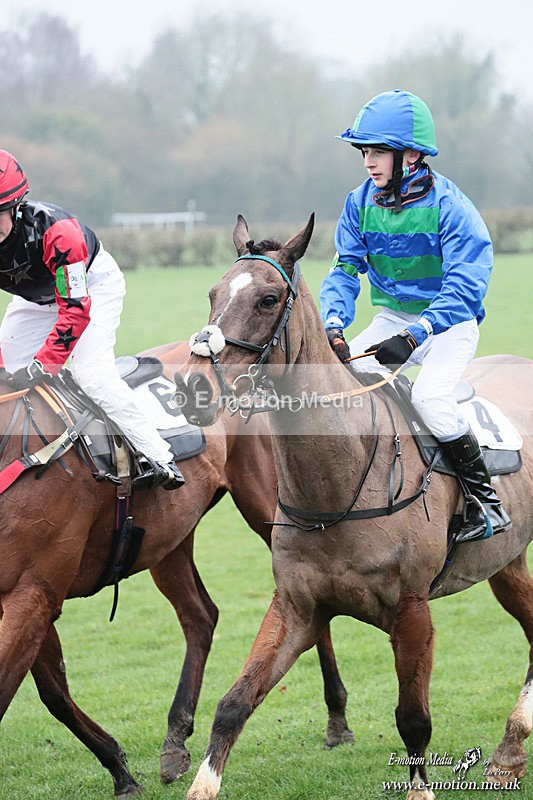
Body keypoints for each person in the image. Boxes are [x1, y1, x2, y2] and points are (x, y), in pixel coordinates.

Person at [319, 89, 511, 541]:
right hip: (391, 319)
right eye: (364, 150)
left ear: (411, 156)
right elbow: (345, 268)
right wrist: (334, 324)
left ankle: (488, 502)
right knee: (340, 381)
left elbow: (465, 286)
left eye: (378, 150)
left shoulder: (451, 206)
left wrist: (418, 333)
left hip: (448, 324)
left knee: (430, 400)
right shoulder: (358, 202)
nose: (368, 161)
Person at [0, 148, 184, 490]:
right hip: (35, 299)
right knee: (8, 373)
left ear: (16, 207)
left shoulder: (58, 233)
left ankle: (157, 454)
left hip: (91, 288)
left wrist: (45, 363)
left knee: (92, 374)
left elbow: (75, 309)